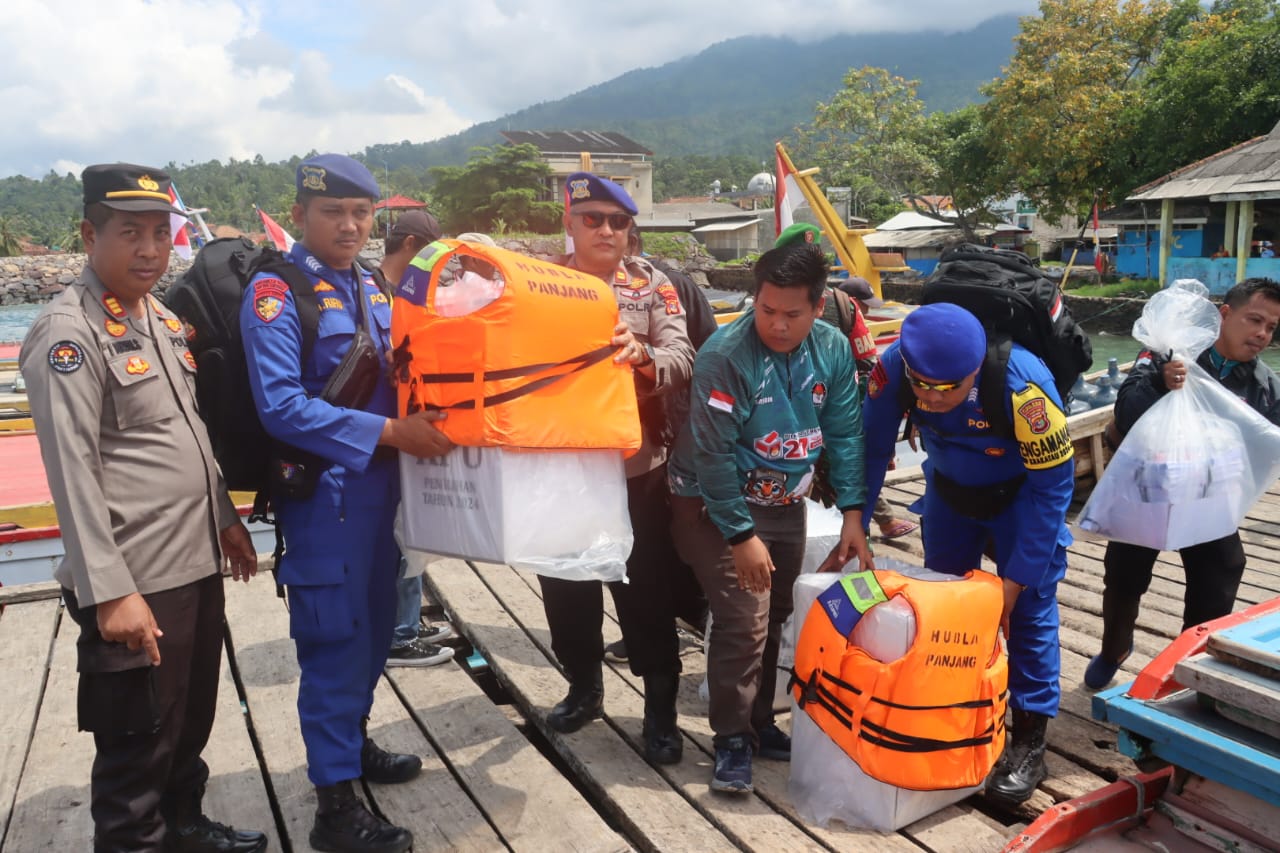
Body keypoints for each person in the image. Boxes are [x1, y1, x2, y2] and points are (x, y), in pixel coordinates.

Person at [21, 163, 267, 853]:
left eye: (161, 233)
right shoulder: (69, 332)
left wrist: (224, 517)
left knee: (189, 718)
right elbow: (71, 472)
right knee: (137, 742)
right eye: (131, 232)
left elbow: (185, 429)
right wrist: (110, 592)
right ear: (89, 234)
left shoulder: (156, 316)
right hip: (136, 575)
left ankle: (184, 824)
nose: (151, 249)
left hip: (193, 560)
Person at [240, 154, 454, 853]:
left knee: (375, 632)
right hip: (325, 502)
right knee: (333, 642)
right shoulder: (277, 291)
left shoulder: (371, 285)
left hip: (384, 495)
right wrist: (391, 433)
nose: (350, 225)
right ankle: (334, 807)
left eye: (361, 213)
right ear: (300, 215)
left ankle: (352, 744)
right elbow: (280, 406)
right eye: (333, 212)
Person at [667, 239, 873, 794]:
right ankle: (732, 739)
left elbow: (846, 433)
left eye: (792, 314)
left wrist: (854, 514)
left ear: (819, 306)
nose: (777, 325)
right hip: (712, 499)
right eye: (766, 310)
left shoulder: (832, 348)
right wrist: (740, 536)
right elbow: (711, 454)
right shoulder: (725, 355)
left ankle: (758, 722)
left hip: (784, 498)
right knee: (744, 617)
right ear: (754, 299)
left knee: (778, 610)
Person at [861, 302, 1075, 807]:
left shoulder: (1024, 389)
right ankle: (953, 713)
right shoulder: (893, 368)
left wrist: (1016, 580)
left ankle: (1029, 740)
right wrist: (856, 522)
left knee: (1028, 613)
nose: (932, 399)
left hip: (1022, 498)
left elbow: (1053, 489)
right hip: (950, 492)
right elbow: (871, 449)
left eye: (948, 388)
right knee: (945, 606)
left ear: (975, 370)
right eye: (922, 386)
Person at [538, 172, 695, 767]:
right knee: (564, 584)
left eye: (618, 221)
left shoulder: (651, 284)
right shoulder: (539, 283)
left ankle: (660, 712)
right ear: (569, 223)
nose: (606, 230)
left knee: (645, 589)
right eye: (592, 219)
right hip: (560, 464)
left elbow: (683, 354)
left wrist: (643, 355)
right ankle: (584, 687)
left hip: (635, 467)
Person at [1085, 278, 1280, 688]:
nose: (1262, 334)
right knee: (1123, 574)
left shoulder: (1264, 385)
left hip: (1210, 498)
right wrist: (1159, 382)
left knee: (1223, 570)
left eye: (1271, 327)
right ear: (1224, 314)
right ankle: (1114, 648)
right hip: (1149, 491)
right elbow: (1126, 414)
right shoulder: (1170, 354)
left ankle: (1187, 665)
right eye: (1254, 320)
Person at [375, 210, 456, 668]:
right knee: (400, 536)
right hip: (391, 435)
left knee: (412, 534)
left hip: (411, 430)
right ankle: (399, 635)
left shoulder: (403, 294)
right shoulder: (379, 293)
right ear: (410, 245)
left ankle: (407, 619)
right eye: (430, 253)